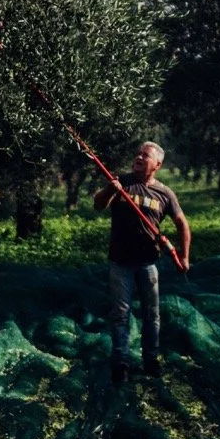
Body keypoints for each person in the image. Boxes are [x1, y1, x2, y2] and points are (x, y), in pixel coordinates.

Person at [93, 141, 190, 383]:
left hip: (148, 263)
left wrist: (185, 255)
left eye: (144, 156)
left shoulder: (165, 194)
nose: (138, 157)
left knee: (151, 314)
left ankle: (151, 360)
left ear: (157, 164)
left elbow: (182, 224)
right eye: (137, 154)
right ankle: (121, 363)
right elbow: (98, 205)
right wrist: (109, 190)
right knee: (120, 314)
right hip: (120, 263)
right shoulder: (121, 182)